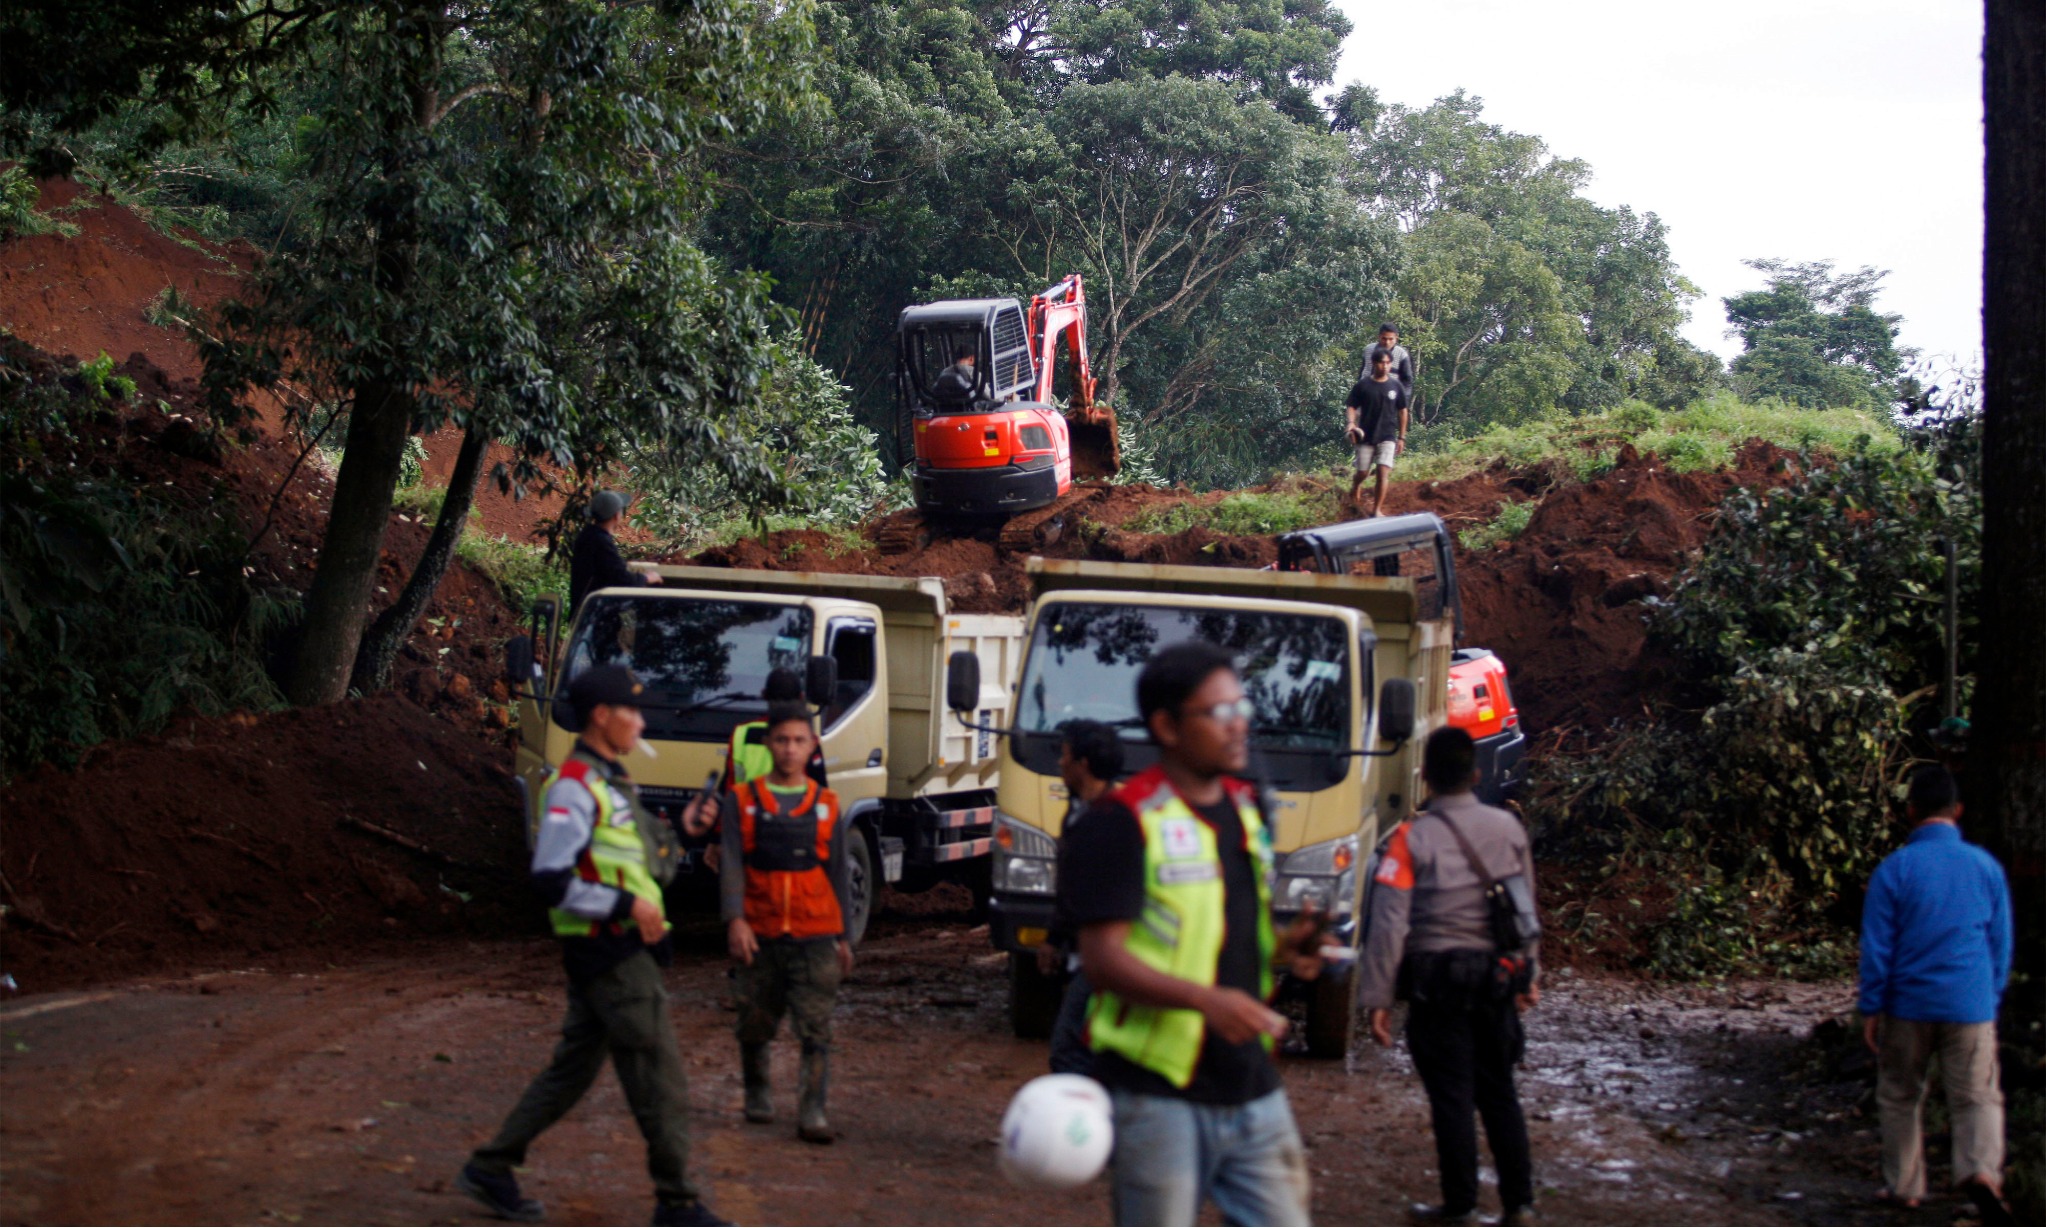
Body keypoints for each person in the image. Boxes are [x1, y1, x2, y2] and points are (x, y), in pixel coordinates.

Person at [1063, 641, 1334, 1227]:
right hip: (1155, 1092)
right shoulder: (1120, 823)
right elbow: (1102, 959)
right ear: (1166, 726)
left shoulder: (1244, 809)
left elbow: (1225, 931)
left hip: (1251, 1086)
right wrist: (1204, 1001)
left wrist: (1288, 950)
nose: (1239, 725)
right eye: (1218, 713)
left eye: (1242, 707)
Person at [458, 665, 727, 1228]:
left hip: (612, 952)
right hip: (612, 954)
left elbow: (643, 862)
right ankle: (677, 1203)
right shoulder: (575, 788)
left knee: (572, 1071)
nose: (642, 721)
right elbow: (552, 878)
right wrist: (630, 907)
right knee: (659, 1076)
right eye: (632, 710)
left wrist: (686, 828)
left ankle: (492, 1166)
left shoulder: (609, 782)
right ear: (602, 717)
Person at [1357, 726, 1539, 1227]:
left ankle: (1459, 1206)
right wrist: (1529, 975)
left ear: (1425, 777)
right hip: (1496, 980)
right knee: (1499, 1091)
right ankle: (1519, 1204)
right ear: (1476, 775)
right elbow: (1524, 908)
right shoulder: (1508, 830)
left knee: (1453, 1098)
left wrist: (1377, 996)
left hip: (1438, 986)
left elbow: (1390, 922)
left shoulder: (1411, 840)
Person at [1859, 764, 2014, 1223]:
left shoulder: (1895, 870)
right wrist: (1991, 995)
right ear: (1958, 811)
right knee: (1977, 1096)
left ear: (1910, 813)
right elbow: (2000, 944)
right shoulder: (1986, 868)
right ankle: (1982, 1172)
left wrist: (1871, 1005)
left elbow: (1878, 946)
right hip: (1970, 1003)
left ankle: (1905, 1187)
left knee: (1901, 1094)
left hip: (1908, 1004)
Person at [718, 704, 854, 1144]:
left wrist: (844, 938)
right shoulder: (741, 800)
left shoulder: (829, 805)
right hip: (760, 929)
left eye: (799, 740)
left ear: (813, 746)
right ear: (768, 743)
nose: (790, 749)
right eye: (781, 740)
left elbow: (838, 874)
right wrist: (735, 919)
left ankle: (812, 1110)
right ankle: (758, 1092)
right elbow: (732, 863)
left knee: (816, 1026)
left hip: (816, 933)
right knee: (754, 1020)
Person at [1041, 719, 1125, 1076]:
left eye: (1065, 756)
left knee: (1067, 1051)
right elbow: (1070, 888)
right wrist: (1054, 939)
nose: (1060, 764)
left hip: (1106, 959)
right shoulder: (1077, 814)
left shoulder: (1115, 821)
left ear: (1084, 764)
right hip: (1082, 955)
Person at [718, 669, 828, 794]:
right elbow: (820, 791)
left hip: (746, 810)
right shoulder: (805, 739)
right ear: (801, 697)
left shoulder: (741, 733)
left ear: (764, 694)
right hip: (792, 810)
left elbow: (728, 787)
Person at [569, 490, 663, 611]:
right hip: (594, 616)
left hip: (585, 614)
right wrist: (647, 578)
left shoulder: (587, 535)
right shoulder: (600, 541)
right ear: (616, 516)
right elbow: (620, 577)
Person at [1345, 350, 1410, 515]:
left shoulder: (1396, 386)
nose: (1385, 366)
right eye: (1382, 362)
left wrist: (1402, 437)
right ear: (1374, 363)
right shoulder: (1363, 385)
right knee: (1362, 472)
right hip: (1365, 436)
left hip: (1387, 436)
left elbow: (1403, 411)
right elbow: (1351, 405)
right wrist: (1351, 423)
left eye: (1388, 363)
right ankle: (1355, 486)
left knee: (1383, 472)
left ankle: (1376, 510)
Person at [1358, 323, 1414, 390]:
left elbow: (1407, 381)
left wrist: (1403, 398)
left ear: (1396, 338)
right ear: (1379, 337)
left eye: (1391, 339)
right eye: (1384, 339)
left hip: (1390, 394)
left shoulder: (1401, 354)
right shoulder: (1368, 350)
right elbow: (1362, 371)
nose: (1387, 342)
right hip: (1366, 392)